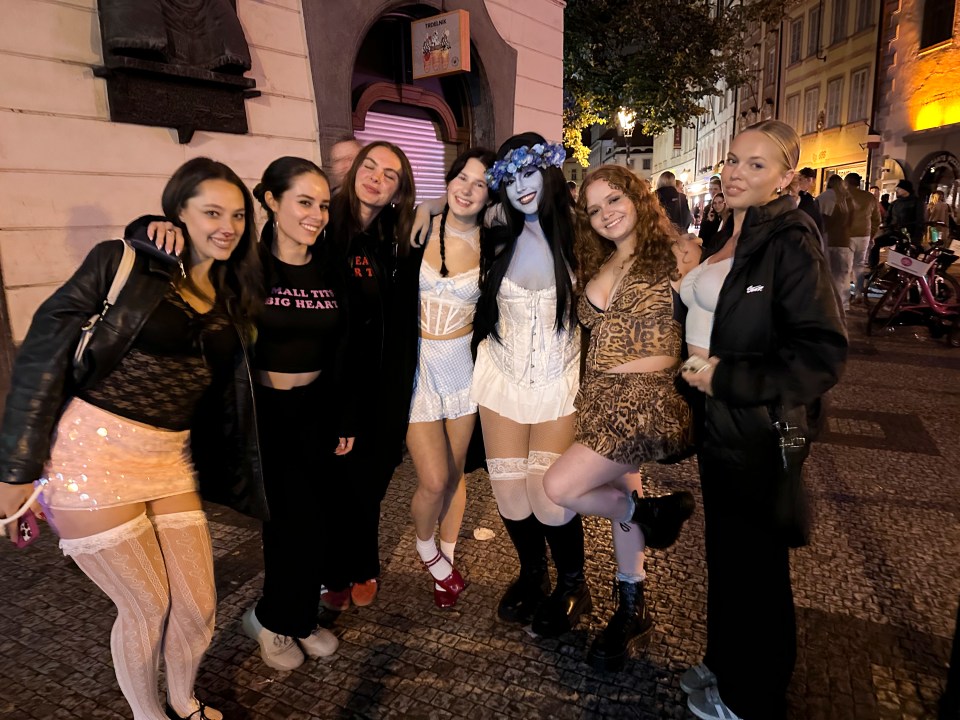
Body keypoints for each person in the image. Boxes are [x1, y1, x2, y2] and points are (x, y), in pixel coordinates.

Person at [0, 157, 266, 720]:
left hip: (168, 460)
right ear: (178, 214)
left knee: (197, 606)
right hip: (89, 454)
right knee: (147, 605)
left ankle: (183, 700)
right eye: (212, 212)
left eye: (238, 215)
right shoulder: (122, 263)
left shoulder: (232, 288)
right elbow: (41, 356)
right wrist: (15, 470)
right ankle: (149, 717)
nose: (228, 226)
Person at [679, 120, 846, 720]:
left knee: (758, 570)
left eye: (755, 164)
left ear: (786, 177)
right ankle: (726, 664)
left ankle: (755, 695)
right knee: (727, 556)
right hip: (719, 426)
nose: (735, 173)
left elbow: (821, 352)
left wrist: (729, 378)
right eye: (731, 161)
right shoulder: (731, 230)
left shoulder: (791, 240)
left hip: (759, 430)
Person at [543, 165, 700, 671]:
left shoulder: (679, 254)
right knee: (625, 490)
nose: (605, 214)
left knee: (560, 486)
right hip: (599, 400)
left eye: (614, 200)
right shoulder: (600, 264)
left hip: (647, 399)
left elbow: (718, 299)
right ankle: (633, 607)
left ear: (638, 197)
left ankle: (650, 515)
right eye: (593, 209)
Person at [472, 132, 591, 637]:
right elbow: (443, 216)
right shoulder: (492, 237)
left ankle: (573, 584)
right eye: (512, 176)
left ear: (547, 172)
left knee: (546, 497)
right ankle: (533, 574)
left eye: (530, 172)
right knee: (510, 498)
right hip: (501, 376)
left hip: (559, 380)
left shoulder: (582, 236)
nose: (522, 186)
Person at [239, 157, 354, 670]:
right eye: (304, 202)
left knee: (318, 522)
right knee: (287, 525)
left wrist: (345, 417)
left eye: (323, 204)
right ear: (270, 200)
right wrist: (144, 227)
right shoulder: (245, 264)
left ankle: (296, 615)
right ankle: (273, 621)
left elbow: (344, 348)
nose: (317, 215)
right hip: (265, 412)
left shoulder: (329, 266)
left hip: (317, 409)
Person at [323, 141, 417, 610]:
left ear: (399, 191)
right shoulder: (324, 230)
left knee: (371, 485)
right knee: (340, 487)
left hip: (382, 389)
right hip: (337, 391)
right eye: (371, 166)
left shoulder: (392, 241)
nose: (377, 177)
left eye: (391, 175)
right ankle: (338, 571)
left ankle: (362, 563)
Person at [404, 148, 496, 608]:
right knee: (434, 479)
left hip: (463, 370)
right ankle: (426, 551)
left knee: (457, 474)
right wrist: (426, 205)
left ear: (488, 195)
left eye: (479, 183)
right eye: (462, 177)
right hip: (419, 368)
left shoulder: (493, 245)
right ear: (449, 181)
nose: (467, 188)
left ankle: (447, 562)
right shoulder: (419, 229)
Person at [818, 173, 854, 311]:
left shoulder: (823, 197)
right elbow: (851, 222)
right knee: (843, 274)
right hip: (843, 239)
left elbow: (819, 220)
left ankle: (828, 302)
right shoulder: (848, 199)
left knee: (827, 272)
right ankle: (843, 304)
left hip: (826, 239)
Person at [845, 172, 881, 305]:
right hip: (864, 236)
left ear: (846, 183)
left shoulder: (842, 196)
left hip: (846, 236)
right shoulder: (869, 197)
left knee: (845, 266)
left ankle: (844, 295)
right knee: (859, 266)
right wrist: (871, 234)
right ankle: (858, 293)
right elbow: (877, 219)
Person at [796, 167, 826, 239]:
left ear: (809, 180)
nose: (797, 183)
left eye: (800, 179)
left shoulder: (806, 198)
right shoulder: (806, 198)